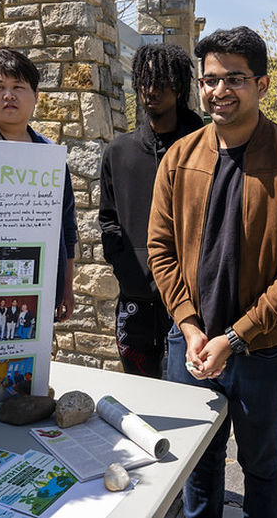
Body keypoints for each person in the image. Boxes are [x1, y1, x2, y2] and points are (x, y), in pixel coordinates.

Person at [147, 26, 277, 518]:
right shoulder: (180, 159)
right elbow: (159, 250)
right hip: (192, 346)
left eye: (234, 79)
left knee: (262, 465)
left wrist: (237, 336)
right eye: (209, 81)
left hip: (261, 352)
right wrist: (189, 326)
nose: (218, 91)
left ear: (262, 85)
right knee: (196, 466)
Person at [99, 43, 204, 378]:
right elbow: (108, 220)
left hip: (194, 302)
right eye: (143, 81)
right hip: (136, 299)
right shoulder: (119, 151)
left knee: (194, 399)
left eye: (160, 82)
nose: (150, 90)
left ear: (180, 86)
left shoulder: (206, 146)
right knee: (141, 397)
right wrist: (128, 271)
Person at [0, 48, 77, 322]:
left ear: (36, 97)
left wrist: (66, 286)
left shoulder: (50, 155)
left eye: (18, 87)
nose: (8, 94)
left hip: (35, 288)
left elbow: (66, 226)